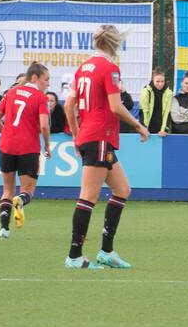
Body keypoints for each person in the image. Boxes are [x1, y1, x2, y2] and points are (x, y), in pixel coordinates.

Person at [63, 24, 149, 269]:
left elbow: (69, 106)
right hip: (100, 135)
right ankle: (74, 255)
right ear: (113, 44)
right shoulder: (110, 68)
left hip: (93, 136)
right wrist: (138, 125)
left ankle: (107, 251)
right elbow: (115, 106)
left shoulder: (83, 69)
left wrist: (76, 135)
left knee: (122, 189)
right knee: (88, 196)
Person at [0, 63, 52, 239]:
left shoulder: (11, 92)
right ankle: (21, 200)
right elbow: (45, 125)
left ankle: (4, 230)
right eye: (46, 80)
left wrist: (7, 133)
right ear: (35, 78)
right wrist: (47, 145)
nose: (48, 84)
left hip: (6, 146)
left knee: (7, 190)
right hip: (28, 148)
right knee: (27, 191)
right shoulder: (40, 98)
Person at [140, 70, 172, 136]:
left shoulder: (169, 93)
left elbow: (167, 113)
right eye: (157, 81)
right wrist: (144, 128)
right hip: (147, 129)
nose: (160, 84)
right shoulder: (146, 92)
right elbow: (144, 111)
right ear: (153, 80)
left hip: (160, 131)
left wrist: (164, 130)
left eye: (162, 81)